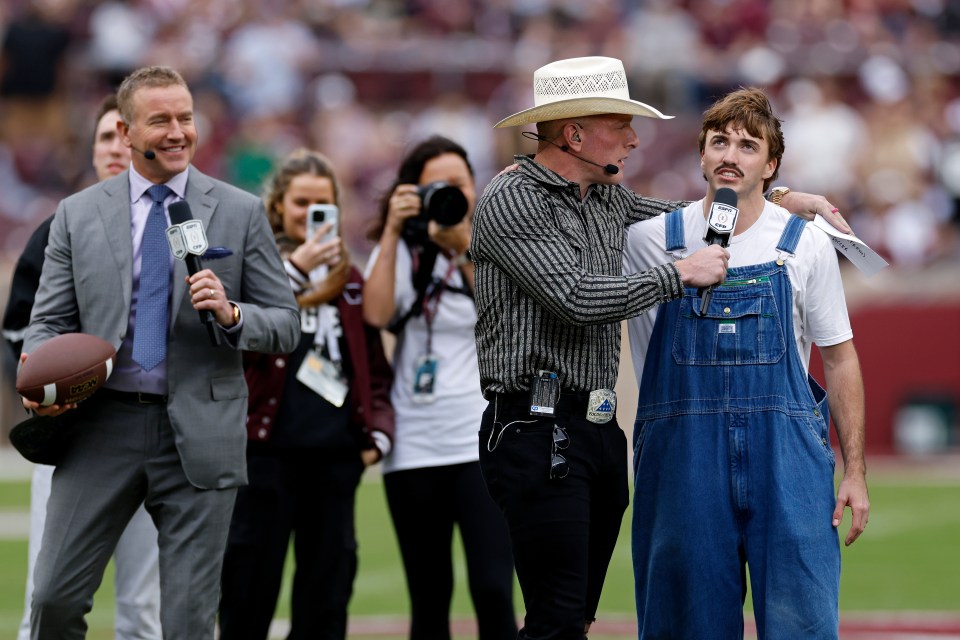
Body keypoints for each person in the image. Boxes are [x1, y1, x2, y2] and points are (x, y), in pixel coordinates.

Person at [472, 56, 846, 640]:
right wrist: (680, 275)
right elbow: (576, 297)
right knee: (558, 613)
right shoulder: (514, 198)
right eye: (620, 124)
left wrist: (781, 197)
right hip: (536, 426)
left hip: (593, 430)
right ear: (575, 134)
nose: (633, 137)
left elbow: (696, 214)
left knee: (575, 613)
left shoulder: (603, 197)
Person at [19, 65, 300, 639]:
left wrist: (232, 313)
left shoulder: (241, 211)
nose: (178, 132)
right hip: (101, 426)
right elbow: (46, 321)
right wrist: (39, 372)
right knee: (52, 599)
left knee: (187, 622)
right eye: (161, 120)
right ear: (124, 132)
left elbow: (287, 325)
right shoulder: (77, 214)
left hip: (199, 428)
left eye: (186, 118)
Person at [623, 87, 870, 638]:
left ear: (771, 163)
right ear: (702, 155)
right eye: (719, 142)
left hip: (788, 464)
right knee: (684, 627)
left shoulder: (803, 244)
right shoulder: (645, 242)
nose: (731, 154)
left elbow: (841, 357)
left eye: (748, 145)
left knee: (800, 624)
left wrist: (854, 470)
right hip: (682, 464)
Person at [2, 94, 163, 640]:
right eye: (105, 138)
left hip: (148, 428)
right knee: (43, 599)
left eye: (125, 135)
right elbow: (19, 332)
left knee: (143, 609)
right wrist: (48, 387)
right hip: (69, 437)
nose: (116, 148)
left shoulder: (174, 226)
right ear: (91, 151)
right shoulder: (60, 229)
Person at [218, 149, 395, 640]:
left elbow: (374, 370)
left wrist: (377, 434)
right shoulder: (250, 271)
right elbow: (233, 344)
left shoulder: (350, 281)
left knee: (327, 596)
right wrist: (294, 269)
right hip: (263, 456)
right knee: (247, 590)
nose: (310, 213)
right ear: (277, 206)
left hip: (334, 459)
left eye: (323, 204)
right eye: (301, 203)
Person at [363, 135, 518, 640]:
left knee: (494, 588)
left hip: (484, 439)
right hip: (414, 445)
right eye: (438, 187)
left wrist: (465, 248)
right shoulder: (403, 252)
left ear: (477, 187)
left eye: (460, 184)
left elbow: (508, 319)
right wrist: (391, 229)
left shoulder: (500, 245)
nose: (452, 193)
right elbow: (377, 314)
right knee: (428, 596)